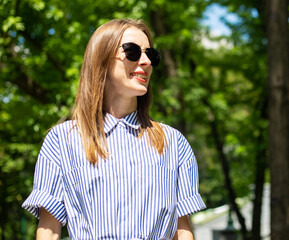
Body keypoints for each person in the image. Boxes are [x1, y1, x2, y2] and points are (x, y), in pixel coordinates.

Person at [22, 18, 206, 240]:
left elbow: (182, 231)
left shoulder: (173, 143)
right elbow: (49, 231)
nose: (146, 61)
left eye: (151, 54)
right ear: (101, 59)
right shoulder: (62, 140)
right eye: (133, 51)